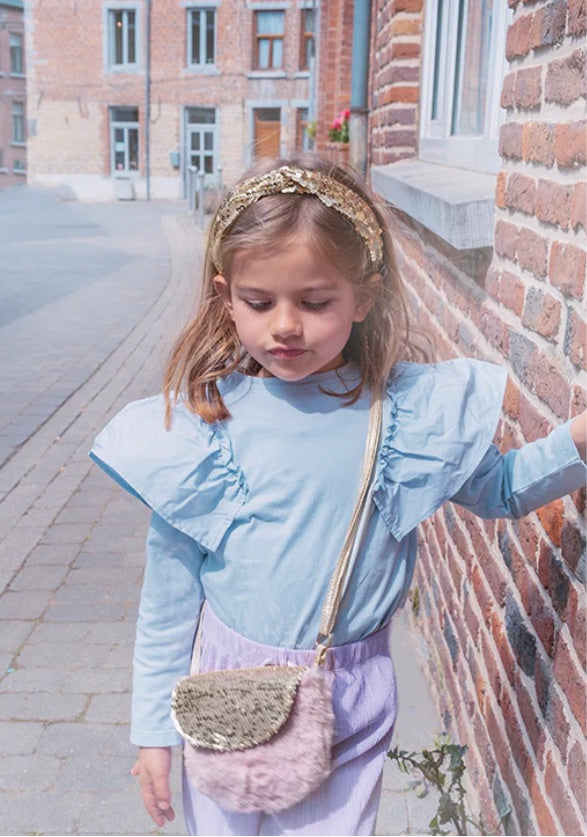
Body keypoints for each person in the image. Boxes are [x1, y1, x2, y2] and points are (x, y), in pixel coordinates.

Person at [90, 154, 586, 837]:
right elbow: (169, 598)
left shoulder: (405, 418)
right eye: (259, 302)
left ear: (363, 296)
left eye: (314, 301)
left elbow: (499, 488)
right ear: (224, 296)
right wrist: (153, 731)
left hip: (348, 694)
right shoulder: (205, 427)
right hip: (228, 688)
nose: (284, 326)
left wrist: (574, 443)